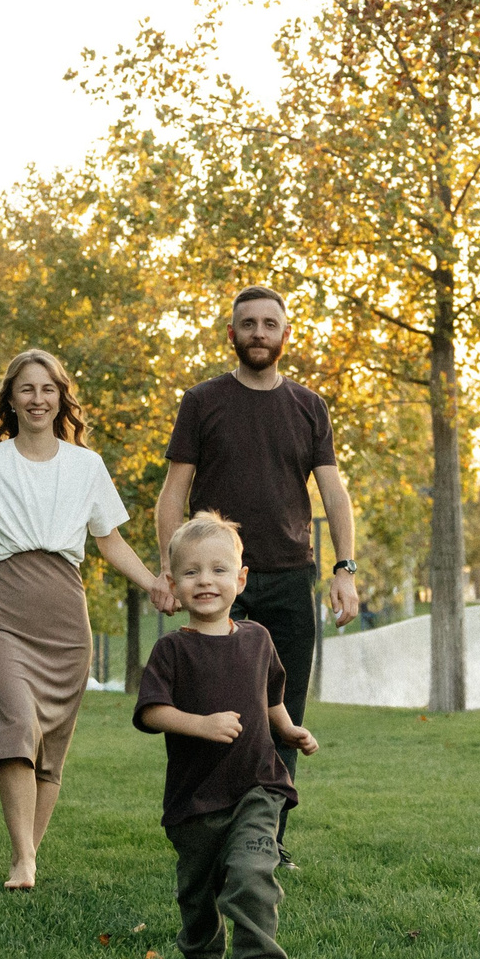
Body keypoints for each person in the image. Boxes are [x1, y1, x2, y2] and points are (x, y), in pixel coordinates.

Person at [0, 348, 168, 892]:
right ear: (11, 400)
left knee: (50, 747)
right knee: (19, 725)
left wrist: (153, 583)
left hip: (66, 621)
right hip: (3, 612)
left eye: (47, 389)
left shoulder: (86, 466)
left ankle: (26, 857)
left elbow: (109, 539)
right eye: (26, 389)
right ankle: (23, 858)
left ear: (60, 397)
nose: (38, 398)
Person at [156, 286, 358, 864]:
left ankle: (268, 839)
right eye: (248, 323)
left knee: (283, 713)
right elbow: (174, 494)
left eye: (270, 323)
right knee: (218, 707)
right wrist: (171, 571)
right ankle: (210, 827)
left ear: (285, 334)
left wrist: (344, 567)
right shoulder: (202, 401)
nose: (259, 332)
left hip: (292, 578)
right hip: (219, 583)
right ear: (232, 335)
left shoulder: (309, 406)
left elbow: (333, 491)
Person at [133, 510, 317, 959]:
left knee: (252, 869)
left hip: (257, 784)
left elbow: (272, 694)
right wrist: (201, 724)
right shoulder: (172, 650)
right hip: (196, 798)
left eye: (218, 570)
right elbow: (150, 712)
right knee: (197, 896)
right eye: (191, 572)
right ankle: (201, 956)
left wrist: (288, 728)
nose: (205, 581)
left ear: (240, 579)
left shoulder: (257, 639)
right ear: (173, 583)